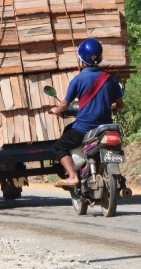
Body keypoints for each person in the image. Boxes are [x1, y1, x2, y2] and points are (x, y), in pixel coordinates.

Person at [49, 38, 125, 187]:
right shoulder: (110, 80)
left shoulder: (78, 80)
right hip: (106, 128)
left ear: (81, 59)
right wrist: (114, 106)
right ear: (100, 57)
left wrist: (56, 110)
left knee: (58, 147)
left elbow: (65, 104)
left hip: (84, 129)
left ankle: (72, 176)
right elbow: (121, 105)